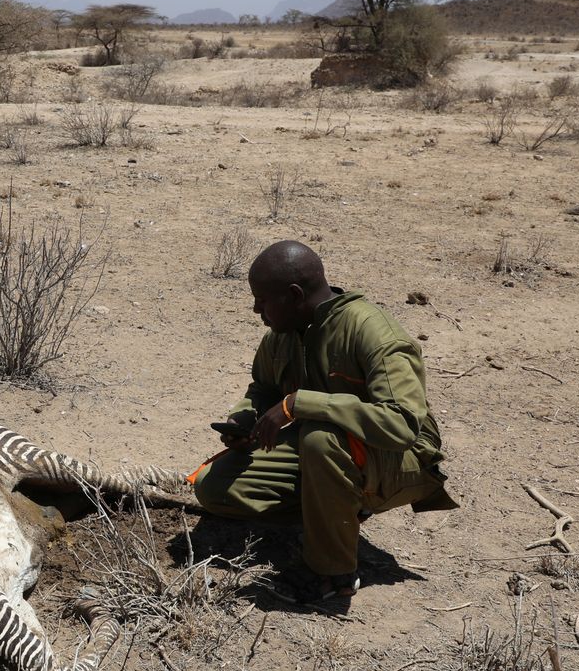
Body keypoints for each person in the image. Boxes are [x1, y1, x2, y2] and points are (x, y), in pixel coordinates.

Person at [191, 240, 458, 603]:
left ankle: (332, 572)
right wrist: (245, 418)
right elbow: (263, 388)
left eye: (263, 300)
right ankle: (332, 512)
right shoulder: (282, 336)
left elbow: (402, 424)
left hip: (401, 459)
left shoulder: (374, 334)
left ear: (294, 294)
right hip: (327, 453)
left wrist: (302, 403)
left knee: (320, 437)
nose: (257, 310)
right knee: (215, 487)